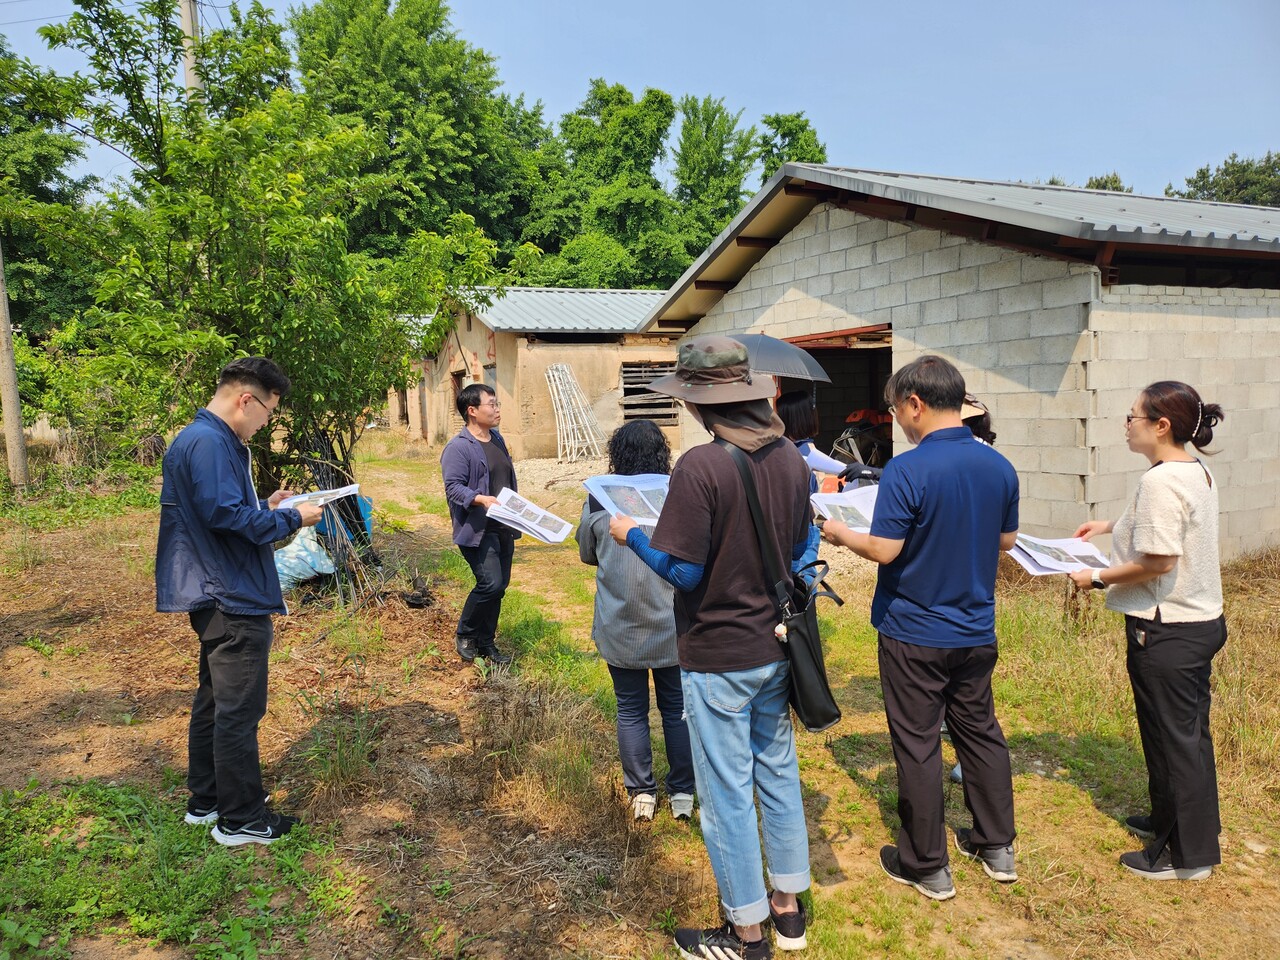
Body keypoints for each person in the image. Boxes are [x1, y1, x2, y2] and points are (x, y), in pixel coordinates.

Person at [609, 335, 812, 960]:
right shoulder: (792, 461)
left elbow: (686, 573)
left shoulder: (702, 466)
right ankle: (788, 911)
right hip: (776, 645)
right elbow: (803, 552)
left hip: (718, 653)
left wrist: (633, 535)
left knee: (726, 793)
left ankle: (744, 931)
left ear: (700, 405)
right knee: (778, 774)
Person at [820, 355, 1019, 901]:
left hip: (915, 629)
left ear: (915, 403)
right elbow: (1004, 542)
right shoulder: (997, 465)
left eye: (896, 410)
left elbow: (885, 548)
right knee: (980, 731)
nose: (898, 422)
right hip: (976, 628)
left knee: (917, 742)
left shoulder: (909, 469)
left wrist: (839, 533)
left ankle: (926, 865)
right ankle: (996, 844)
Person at [156, 357, 324, 846]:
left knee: (214, 701)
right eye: (268, 412)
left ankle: (206, 801)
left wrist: (266, 508)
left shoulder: (200, 438)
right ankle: (242, 818)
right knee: (238, 711)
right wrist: (295, 520)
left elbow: (221, 512)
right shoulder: (210, 442)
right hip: (230, 594)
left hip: (214, 589)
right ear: (246, 400)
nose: (267, 422)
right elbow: (225, 518)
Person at [1067, 381, 1226, 881]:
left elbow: (1159, 560)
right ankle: (1180, 823)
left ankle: (1186, 857)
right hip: (1199, 622)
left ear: (1162, 426)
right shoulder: (1191, 469)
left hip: (1167, 629)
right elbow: (1170, 526)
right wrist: (1110, 525)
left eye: (1132, 417)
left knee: (1173, 740)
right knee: (1186, 736)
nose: (1126, 425)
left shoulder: (1161, 482)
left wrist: (1094, 577)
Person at [576, 420, 695, 822]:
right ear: (662, 453)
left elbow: (587, 554)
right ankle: (682, 792)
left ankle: (642, 793)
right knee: (676, 709)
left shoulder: (599, 499)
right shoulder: (677, 496)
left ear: (617, 455)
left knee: (630, 709)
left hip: (620, 621)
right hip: (672, 624)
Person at [441, 383, 518, 664]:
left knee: (500, 586)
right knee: (490, 583)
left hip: (503, 525)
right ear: (472, 411)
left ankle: (486, 643)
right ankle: (465, 633)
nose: (497, 410)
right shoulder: (458, 448)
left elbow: (505, 480)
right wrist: (480, 499)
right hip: (477, 528)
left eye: (497, 404)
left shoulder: (496, 439)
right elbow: (454, 488)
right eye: (492, 404)